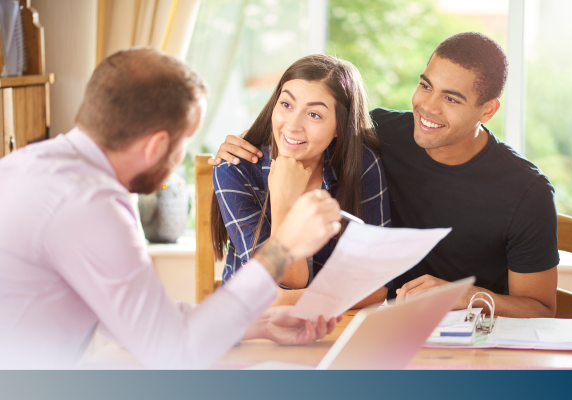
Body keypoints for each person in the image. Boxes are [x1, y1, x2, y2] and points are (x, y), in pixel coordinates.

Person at [0, 48, 343, 369]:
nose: (179, 159)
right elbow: (173, 352)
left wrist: (263, 324)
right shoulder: (91, 203)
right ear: (156, 146)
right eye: (184, 144)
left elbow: (136, 324)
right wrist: (282, 249)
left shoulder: (29, 165)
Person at [208, 32, 559, 318]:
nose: (428, 107)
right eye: (425, 86)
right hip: (368, 320)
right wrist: (240, 151)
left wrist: (465, 295)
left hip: (462, 333)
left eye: (451, 99)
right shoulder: (378, 136)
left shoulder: (526, 192)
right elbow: (300, 126)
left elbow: (541, 309)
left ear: (488, 110)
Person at [211, 54, 391, 307]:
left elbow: (377, 286)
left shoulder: (360, 165)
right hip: (250, 327)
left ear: (340, 126)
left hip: (331, 324)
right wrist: (285, 199)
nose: (292, 125)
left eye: (314, 114)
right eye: (286, 105)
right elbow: (287, 278)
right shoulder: (236, 170)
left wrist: (287, 300)